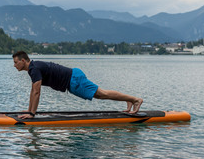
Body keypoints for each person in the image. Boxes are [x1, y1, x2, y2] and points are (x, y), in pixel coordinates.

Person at [12, 51, 143, 119]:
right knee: (101, 94)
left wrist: (32, 114)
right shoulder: (34, 68)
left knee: (102, 94)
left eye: (16, 62)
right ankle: (129, 100)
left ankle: (135, 100)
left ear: (23, 61)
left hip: (73, 80)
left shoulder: (34, 69)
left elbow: (36, 92)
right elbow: (33, 91)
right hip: (73, 78)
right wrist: (29, 111)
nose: (14, 65)